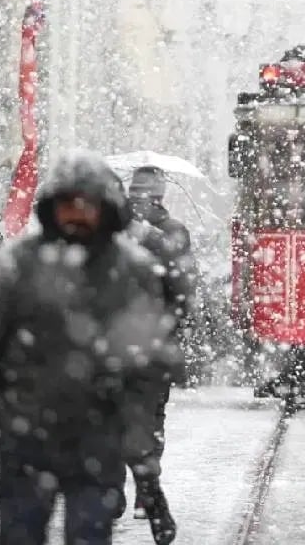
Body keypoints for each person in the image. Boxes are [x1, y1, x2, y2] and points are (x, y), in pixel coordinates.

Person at [0, 151, 176, 545]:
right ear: (51, 208)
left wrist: (130, 425)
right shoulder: (19, 265)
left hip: (98, 437)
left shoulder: (132, 270)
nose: (76, 215)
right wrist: (2, 418)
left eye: (87, 205)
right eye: (67, 205)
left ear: (106, 209)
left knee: (89, 533)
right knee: (20, 533)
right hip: (28, 435)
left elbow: (149, 361)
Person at [120, 165, 197, 544]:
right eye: (133, 191)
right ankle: (123, 487)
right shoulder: (113, 234)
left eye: (143, 191)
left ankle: (146, 490)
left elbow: (182, 290)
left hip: (151, 346)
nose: (137, 197)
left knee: (149, 421)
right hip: (117, 346)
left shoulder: (170, 233)